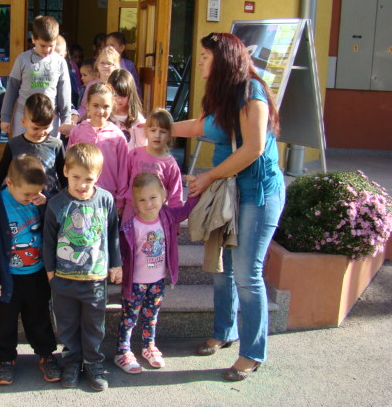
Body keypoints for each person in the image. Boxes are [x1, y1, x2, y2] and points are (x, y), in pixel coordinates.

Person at [172, 32, 284, 381]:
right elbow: (199, 126)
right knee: (223, 271)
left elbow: (253, 148)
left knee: (247, 274)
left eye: (206, 56)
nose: (200, 62)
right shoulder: (221, 94)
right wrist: (155, 128)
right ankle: (224, 332)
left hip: (257, 194)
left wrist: (207, 177)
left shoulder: (251, 91)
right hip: (229, 192)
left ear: (224, 60)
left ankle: (252, 353)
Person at [43, 143, 122, 391]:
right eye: (76, 177)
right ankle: (71, 362)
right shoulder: (56, 204)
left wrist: (116, 264)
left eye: (88, 179)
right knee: (67, 325)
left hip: (95, 280)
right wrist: (51, 274)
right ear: (66, 171)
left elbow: (113, 233)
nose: (82, 184)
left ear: (98, 176)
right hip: (63, 279)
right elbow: (49, 241)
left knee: (94, 325)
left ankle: (93, 363)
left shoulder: (105, 200)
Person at [0, 155, 61, 386]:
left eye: (37, 192)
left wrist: (45, 205)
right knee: (3, 321)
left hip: (36, 274)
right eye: (26, 194)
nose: (31, 198)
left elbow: (52, 230)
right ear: (10, 183)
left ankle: (46, 354)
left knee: (39, 317)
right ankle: (5, 359)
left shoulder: (39, 201)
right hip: (6, 278)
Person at [114, 173, 198, 374]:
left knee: (151, 316)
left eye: (153, 197)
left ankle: (148, 346)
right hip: (135, 283)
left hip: (157, 282)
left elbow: (186, 210)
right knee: (129, 318)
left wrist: (196, 191)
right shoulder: (130, 227)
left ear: (163, 196)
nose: (149, 204)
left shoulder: (167, 217)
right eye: (142, 200)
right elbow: (121, 254)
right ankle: (122, 351)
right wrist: (117, 270)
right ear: (135, 202)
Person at [0, 15, 71, 137]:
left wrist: (66, 119)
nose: (47, 49)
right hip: (24, 116)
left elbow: (64, 93)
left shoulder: (60, 62)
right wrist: (5, 117)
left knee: (48, 149)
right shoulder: (22, 59)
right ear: (33, 39)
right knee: (22, 148)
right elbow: (12, 89)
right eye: (43, 45)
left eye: (51, 46)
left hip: (50, 117)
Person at [0, 93, 66, 200]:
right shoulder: (14, 145)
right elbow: (0, 173)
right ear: (23, 122)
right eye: (35, 128)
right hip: (20, 200)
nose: (41, 132)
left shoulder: (56, 145)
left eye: (46, 127)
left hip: (47, 200)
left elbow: (64, 176)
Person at [67, 83, 129, 214]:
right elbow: (69, 163)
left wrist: (120, 199)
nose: (100, 111)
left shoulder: (117, 136)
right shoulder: (77, 131)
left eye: (105, 106)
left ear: (112, 106)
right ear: (88, 105)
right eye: (96, 105)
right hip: (80, 193)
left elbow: (123, 170)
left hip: (107, 197)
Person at [123, 108, 183, 223]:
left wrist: (174, 222)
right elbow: (124, 180)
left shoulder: (170, 164)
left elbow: (175, 196)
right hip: (131, 211)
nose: (157, 135)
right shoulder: (134, 154)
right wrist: (120, 202)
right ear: (146, 131)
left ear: (169, 135)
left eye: (162, 131)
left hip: (155, 215)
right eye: (153, 130)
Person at [73, 46, 121, 122]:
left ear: (115, 66)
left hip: (114, 123)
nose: (105, 66)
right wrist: (75, 117)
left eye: (109, 63)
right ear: (97, 64)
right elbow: (84, 107)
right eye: (102, 63)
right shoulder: (91, 85)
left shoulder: (119, 85)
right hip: (94, 122)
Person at [108, 69, 146, 150]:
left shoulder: (137, 119)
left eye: (123, 95)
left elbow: (142, 147)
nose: (118, 99)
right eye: (114, 95)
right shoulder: (105, 115)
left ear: (130, 95)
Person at [106, 31, 142, 99]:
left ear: (122, 48)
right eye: (107, 45)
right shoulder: (103, 64)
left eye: (111, 45)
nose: (108, 48)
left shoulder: (128, 65)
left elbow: (135, 88)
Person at [55, 35, 80, 111]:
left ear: (64, 55)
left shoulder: (69, 74)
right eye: (53, 55)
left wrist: (72, 111)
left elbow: (74, 95)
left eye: (59, 55)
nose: (56, 59)